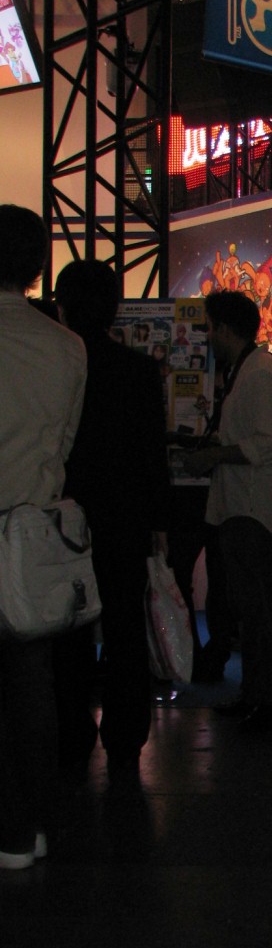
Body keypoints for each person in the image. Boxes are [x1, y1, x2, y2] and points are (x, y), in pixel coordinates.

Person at [54, 259, 172, 790]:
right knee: (125, 628)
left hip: (62, 519)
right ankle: (125, 738)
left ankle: (71, 732)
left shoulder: (55, 365)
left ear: (62, 305)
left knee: (66, 629)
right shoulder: (138, 370)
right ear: (115, 309)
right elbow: (152, 455)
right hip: (124, 518)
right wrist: (158, 521)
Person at [0, 205, 87, 869]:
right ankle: (25, 826)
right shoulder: (66, 346)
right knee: (31, 683)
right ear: (37, 268)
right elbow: (63, 446)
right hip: (30, 535)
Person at [183, 291, 272, 735]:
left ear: (227, 329)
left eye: (211, 327)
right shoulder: (249, 369)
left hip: (252, 506)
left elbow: (268, 443)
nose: (208, 336)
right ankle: (257, 695)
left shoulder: (258, 373)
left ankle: (269, 700)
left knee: (260, 609)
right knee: (253, 608)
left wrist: (215, 455)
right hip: (243, 505)